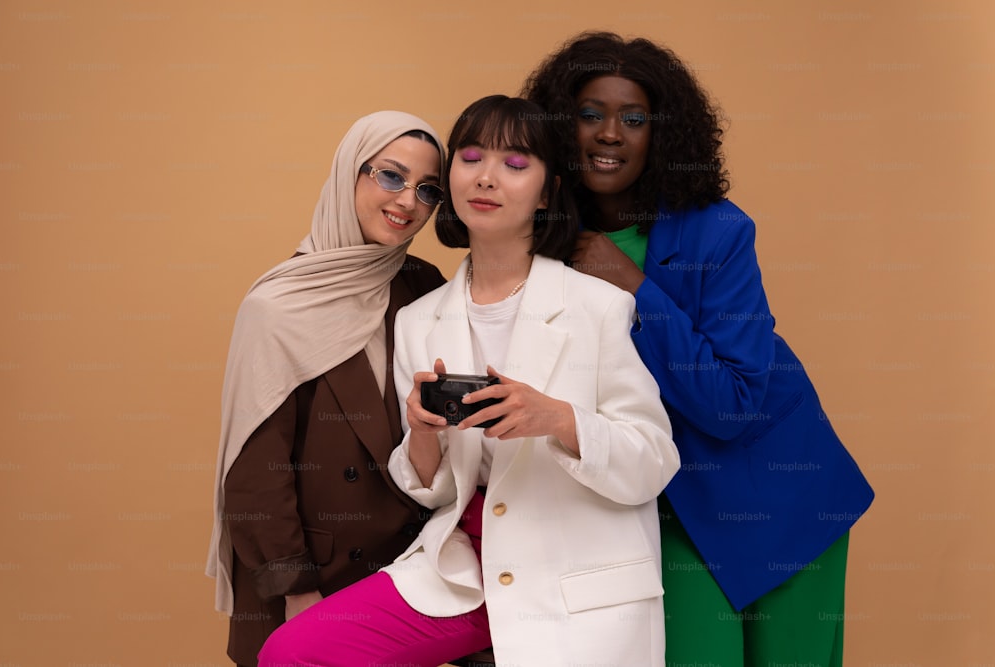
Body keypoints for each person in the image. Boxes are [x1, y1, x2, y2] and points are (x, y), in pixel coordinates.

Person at [256, 95, 680, 667]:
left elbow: (654, 459)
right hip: (465, 565)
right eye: (472, 157)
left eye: (515, 164)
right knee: (294, 653)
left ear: (548, 190)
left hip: (574, 572)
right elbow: (429, 488)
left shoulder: (597, 307)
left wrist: (557, 418)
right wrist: (423, 430)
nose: (486, 178)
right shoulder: (418, 318)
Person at [523, 31, 875, 667]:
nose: (610, 134)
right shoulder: (541, 236)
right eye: (589, 114)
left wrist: (635, 287)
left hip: (779, 496)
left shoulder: (719, 229)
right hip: (662, 505)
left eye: (634, 119)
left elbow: (733, 403)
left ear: (664, 135)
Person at [205, 110, 447, 667]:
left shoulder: (423, 286)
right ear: (348, 174)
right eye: (390, 175)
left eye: (427, 189)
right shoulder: (277, 305)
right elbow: (255, 468)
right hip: (307, 578)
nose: (408, 201)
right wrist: (297, 589)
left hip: (403, 578)